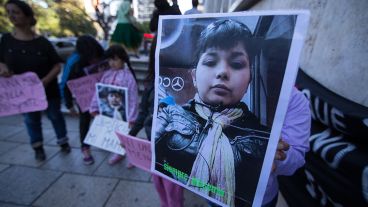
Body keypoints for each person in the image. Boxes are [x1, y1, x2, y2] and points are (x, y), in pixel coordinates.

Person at [154, 19, 310, 207]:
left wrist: (275, 155)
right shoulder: (173, 117)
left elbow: (296, 160)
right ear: (194, 76)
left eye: (236, 64)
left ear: (249, 80)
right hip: (211, 197)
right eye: (211, 62)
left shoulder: (267, 127)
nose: (222, 72)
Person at [0, 0, 71, 161]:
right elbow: (1, 61)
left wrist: (45, 80)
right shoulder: (6, 40)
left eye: (16, 12)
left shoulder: (43, 42)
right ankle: (37, 147)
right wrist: (3, 69)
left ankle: (63, 142)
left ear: (27, 15)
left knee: (55, 116)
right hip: (23, 93)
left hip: (47, 90)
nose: (12, 16)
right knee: (31, 119)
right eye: (9, 12)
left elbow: (56, 65)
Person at [129, 37, 184, 207]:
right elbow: (143, 112)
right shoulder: (150, 84)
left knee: (173, 188)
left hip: (174, 150)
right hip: (152, 146)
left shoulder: (184, 84)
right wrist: (130, 136)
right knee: (158, 184)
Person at [89, 44, 139, 166]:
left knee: (126, 136)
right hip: (109, 112)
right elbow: (100, 92)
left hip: (124, 114)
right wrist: (94, 107)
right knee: (114, 134)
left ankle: (133, 157)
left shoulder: (128, 76)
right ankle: (119, 152)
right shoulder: (107, 74)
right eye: (110, 59)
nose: (112, 62)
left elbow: (133, 97)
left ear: (123, 59)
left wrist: (132, 117)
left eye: (115, 59)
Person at [62, 35, 105, 165]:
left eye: (96, 56)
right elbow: (66, 84)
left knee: (105, 120)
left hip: (103, 98)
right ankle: (85, 147)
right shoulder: (75, 64)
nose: (94, 60)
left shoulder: (103, 59)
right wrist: (69, 105)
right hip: (85, 99)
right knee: (84, 121)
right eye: (92, 58)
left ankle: (107, 141)